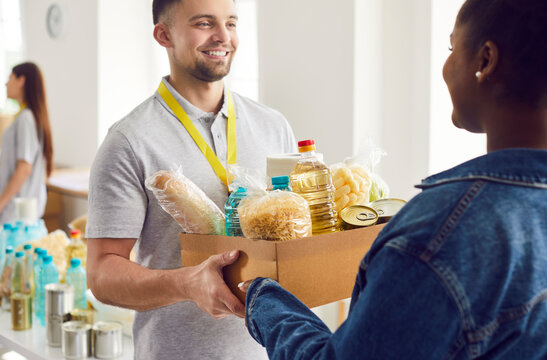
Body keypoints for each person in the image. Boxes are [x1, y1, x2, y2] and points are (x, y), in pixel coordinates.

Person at [240, 0, 547, 358]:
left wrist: (262, 299)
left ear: (485, 60)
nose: (446, 65)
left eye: (452, 48)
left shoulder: (439, 235)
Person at [85, 0, 296, 359]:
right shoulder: (129, 140)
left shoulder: (273, 126)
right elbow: (102, 274)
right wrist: (187, 283)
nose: (223, 36)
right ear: (163, 34)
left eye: (231, 23)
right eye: (204, 23)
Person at [0, 62, 53, 224]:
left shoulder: (26, 118)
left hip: (17, 212)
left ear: (21, 80)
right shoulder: (25, 116)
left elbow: (24, 168)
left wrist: (0, 203)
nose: (6, 83)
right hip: (18, 210)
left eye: (10, 78)